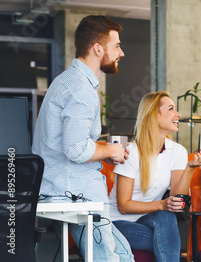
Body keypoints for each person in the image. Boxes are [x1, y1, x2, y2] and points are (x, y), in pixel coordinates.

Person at [32, 16, 133, 261]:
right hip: (75, 193)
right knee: (108, 259)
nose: (121, 52)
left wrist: (104, 151)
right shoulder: (81, 89)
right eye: (116, 45)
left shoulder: (67, 81)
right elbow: (76, 149)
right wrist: (110, 151)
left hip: (66, 188)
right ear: (98, 49)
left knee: (123, 254)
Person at [108, 91, 201, 261]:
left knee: (167, 217)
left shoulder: (177, 151)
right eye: (171, 109)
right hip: (117, 223)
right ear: (153, 115)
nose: (178, 114)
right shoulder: (131, 152)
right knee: (168, 240)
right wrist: (162, 204)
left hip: (149, 219)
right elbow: (124, 206)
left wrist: (190, 169)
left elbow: (176, 200)